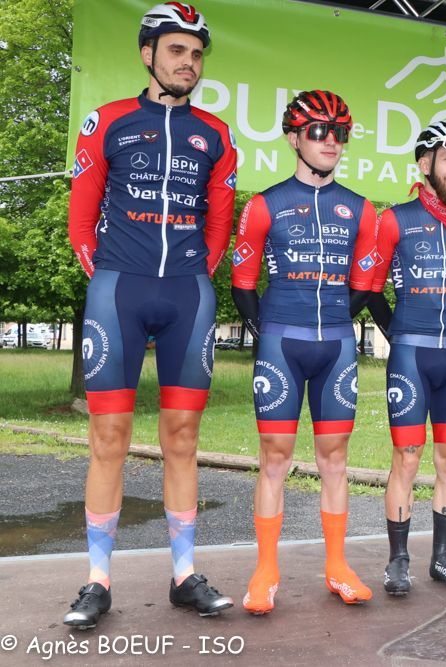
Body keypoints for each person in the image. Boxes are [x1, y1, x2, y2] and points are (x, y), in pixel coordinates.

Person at [64, 2, 236, 629]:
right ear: (148, 54)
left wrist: (194, 276)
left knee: (182, 438)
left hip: (188, 295)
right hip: (119, 291)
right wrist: (111, 275)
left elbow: (219, 225)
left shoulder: (216, 134)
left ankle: (185, 576)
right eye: (176, 50)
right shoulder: (107, 121)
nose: (188, 63)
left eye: (196, 54)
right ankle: (97, 581)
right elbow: (81, 221)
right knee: (108, 438)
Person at [230, 90, 379, 614]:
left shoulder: (361, 209)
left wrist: (334, 319)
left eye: (340, 133)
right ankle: (265, 571)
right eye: (319, 131)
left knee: (335, 459)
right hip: (281, 344)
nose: (331, 141)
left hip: (336, 345)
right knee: (275, 458)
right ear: (294, 138)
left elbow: (365, 283)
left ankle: (337, 566)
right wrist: (268, 331)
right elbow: (242, 283)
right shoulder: (263, 204)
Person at [367, 121, 446, 595]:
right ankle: (398, 561)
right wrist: (399, 333)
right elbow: (371, 288)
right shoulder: (394, 220)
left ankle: (442, 557)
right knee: (407, 456)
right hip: (411, 355)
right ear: (425, 163)